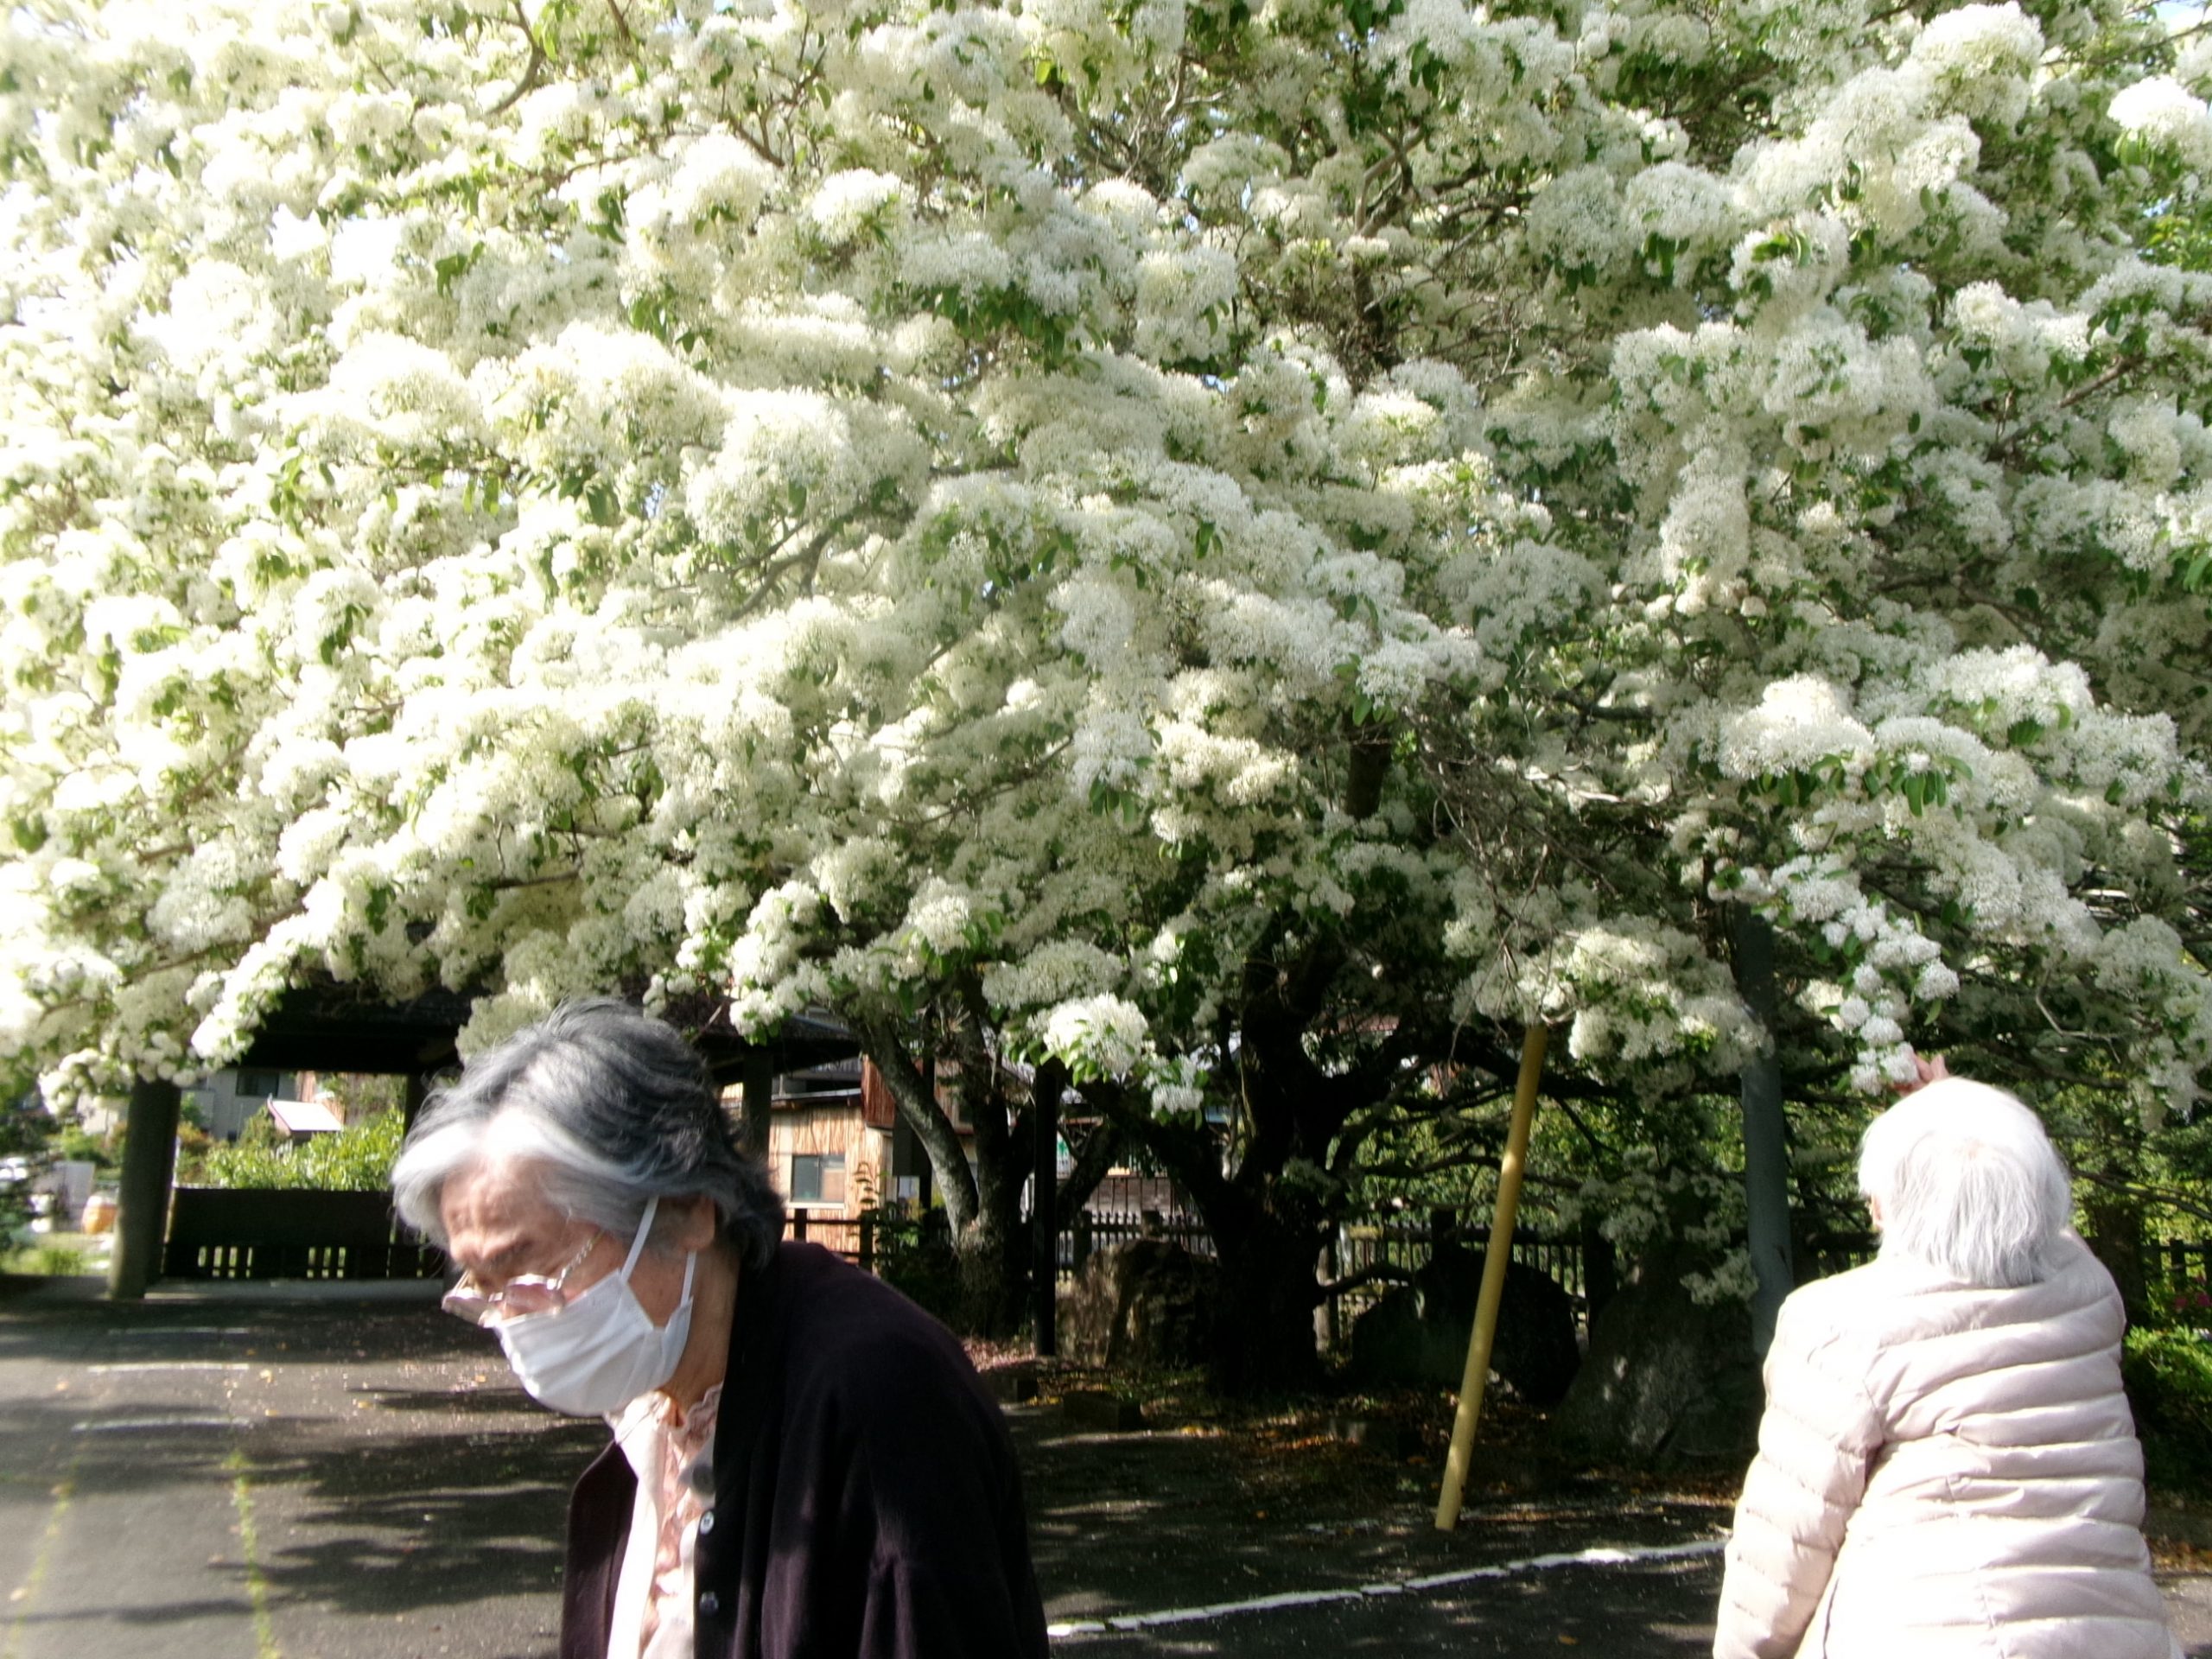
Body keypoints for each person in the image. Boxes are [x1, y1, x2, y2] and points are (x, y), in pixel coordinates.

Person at [391, 999, 1049, 1659]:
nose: (511, 1317)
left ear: (687, 1209)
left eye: (529, 1269)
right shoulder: (652, 1406)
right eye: (484, 1286)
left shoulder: (879, 1400)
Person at [1714, 1061, 2180, 1659]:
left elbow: (1786, 1548)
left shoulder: (1839, 1323)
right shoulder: (2087, 1294)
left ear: (1881, 1207)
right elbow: (2032, 1203)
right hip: (2115, 1638)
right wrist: (1955, 1103)